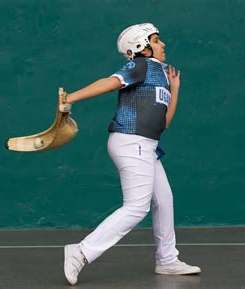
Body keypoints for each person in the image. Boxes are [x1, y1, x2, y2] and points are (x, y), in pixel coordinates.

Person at [61, 23, 201, 286]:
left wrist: (176, 88)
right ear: (141, 47)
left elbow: (165, 122)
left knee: (165, 200)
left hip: (146, 145)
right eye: (157, 40)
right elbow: (110, 82)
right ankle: (80, 251)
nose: (163, 44)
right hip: (131, 141)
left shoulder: (159, 74)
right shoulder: (141, 66)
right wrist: (71, 98)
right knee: (137, 206)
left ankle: (167, 260)